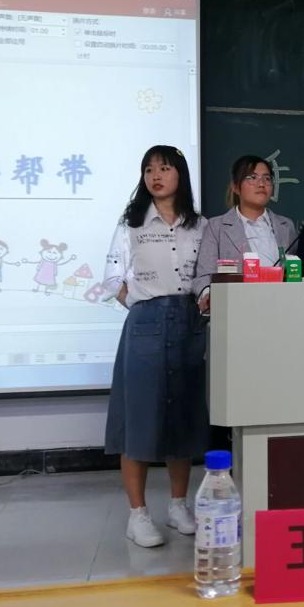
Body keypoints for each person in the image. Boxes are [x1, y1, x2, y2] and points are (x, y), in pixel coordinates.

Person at [102, 145, 209, 547]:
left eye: (164, 168)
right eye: (149, 170)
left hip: (189, 322)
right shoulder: (130, 224)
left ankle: (178, 506)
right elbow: (112, 279)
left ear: (180, 174)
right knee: (140, 418)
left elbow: (209, 274)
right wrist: (141, 304)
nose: (156, 176)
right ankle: (138, 514)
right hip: (145, 323)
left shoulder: (200, 225)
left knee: (183, 417)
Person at [194, 155, 297, 308]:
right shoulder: (217, 226)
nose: (261, 184)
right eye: (252, 178)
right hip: (236, 307)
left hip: (282, 305)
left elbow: (295, 271)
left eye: (267, 178)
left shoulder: (286, 226)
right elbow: (204, 276)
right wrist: (208, 295)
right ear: (236, 187)